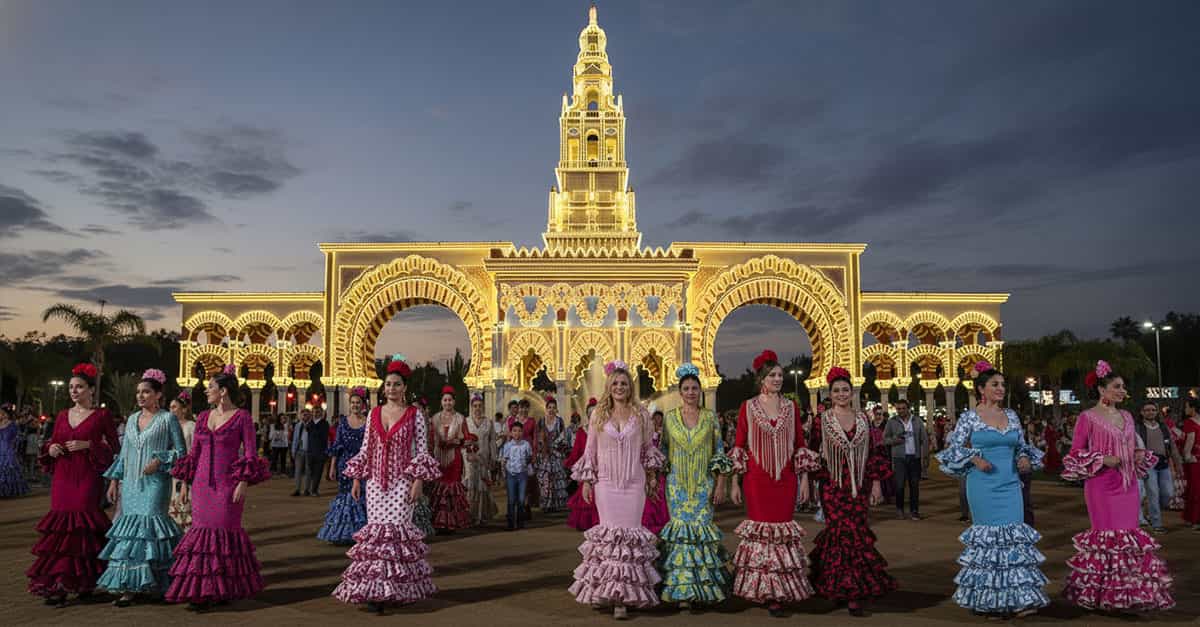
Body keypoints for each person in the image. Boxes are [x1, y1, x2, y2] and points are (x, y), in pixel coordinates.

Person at [937, 361, 1048, 619]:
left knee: (1012, 539)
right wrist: (975, 458)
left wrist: (1023, 457)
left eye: (1002, 384)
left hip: (1010, 485)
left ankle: (1018, 600)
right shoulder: (969, 417)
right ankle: (990, 601)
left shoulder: (1011, 416)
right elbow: (953, 448)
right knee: (989, 541)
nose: (1001, 388)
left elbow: (1021, 445)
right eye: (995, 384)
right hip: (982, 486)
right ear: (981, 389)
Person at [1061, 360, 1173, 612]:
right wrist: (1102, 459)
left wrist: (1138, 455)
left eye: (1123, 387)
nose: (1123, 391)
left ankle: (1127, 595)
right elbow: (1075, 453)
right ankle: (1103, 596)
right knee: (1106, 537)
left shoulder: (1127, 416)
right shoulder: (1087, 417)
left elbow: (1133, 444)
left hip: (1128, 484)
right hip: (1101, 485)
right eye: (1117, 386)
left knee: (1128, 536)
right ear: (1102, 389)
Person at [333, 357, 440, 614]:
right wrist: (357, 479)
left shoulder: (414, 415)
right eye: (388, 384)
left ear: (404, 388)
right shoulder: (374, 414)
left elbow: (422, 451)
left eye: (396, 384)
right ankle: (376, 592)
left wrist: (418, 482)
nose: (391, 388)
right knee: (377, 535)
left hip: (402, 483)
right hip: (375, 484)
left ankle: (397, 589)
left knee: (396, 534)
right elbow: (366, 449)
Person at [166, 365, 271, 612]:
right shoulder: (203, 417)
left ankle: (223, 589)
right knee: (201, 534)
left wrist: (243, 482)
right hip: (201, 485)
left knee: (224, 535)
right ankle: (202, 592)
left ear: (223, 391)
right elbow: (194, 454)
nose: (206, 390)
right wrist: (185, 484)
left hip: (228, 486)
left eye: (211, 387)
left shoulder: (242, 417)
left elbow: (250, 454)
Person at [568, 360, 665, 620]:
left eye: (624, 383)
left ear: (630, 387)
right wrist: (586, 482)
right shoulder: (598, 415)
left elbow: (647, 450)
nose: (619, 387)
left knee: (629, 538)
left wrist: (652, 478)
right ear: (609, 387)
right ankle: (610, 594)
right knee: (610, 537)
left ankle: (624, 594)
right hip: (606, 485)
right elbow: (590, 451)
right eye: (615, 384)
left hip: (634, 484)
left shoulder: (641, 415)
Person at [728, 350, 819, 617]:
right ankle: (764, 591)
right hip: (757, 480)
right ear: (762, 379)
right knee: (761, 533)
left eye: (780, 375)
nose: (778, 379)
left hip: (786, 479)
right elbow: (739, 446)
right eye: (772, 375)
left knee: (782, 533)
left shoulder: (791, 407)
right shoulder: (748, 407)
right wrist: (734, 483)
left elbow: (800, 444)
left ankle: (781, 590)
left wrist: (804, 481)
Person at [28, 363, 118, 607]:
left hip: (87, 476)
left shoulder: (102, 416)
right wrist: (51, 448)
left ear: (91, 390)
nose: (74, 391)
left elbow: (115, 448)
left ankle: (85, 582)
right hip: (63, 476)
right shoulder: (61, 416)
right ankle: (59, 585)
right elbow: (52, 442)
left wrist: (89, 445)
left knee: (83, 526)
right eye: (71, 387)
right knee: (62, 528)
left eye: (79, 387)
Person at [808, 367, 896, 616]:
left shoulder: (863, 419)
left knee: (856, 532)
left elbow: (874, 452)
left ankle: (851, 589)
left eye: (845, 390)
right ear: (830, 394)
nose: (841, 394)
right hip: (833, 486)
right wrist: (809, 482)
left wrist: (876, 484)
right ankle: (841, 589)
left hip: (859, 485)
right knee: (839, 533)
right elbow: (813, 453)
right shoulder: (822, 420)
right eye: (836, 390)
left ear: (852, 392)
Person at [97, 369, 186, 606]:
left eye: (146, 392)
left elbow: (181, 452)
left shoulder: (168, 419)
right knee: (130, 532)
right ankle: (129, 588)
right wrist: (114, 481)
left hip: (156, 484)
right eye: (138, 392)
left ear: (158, 395)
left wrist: (160, 460)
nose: (140, 396)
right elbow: (123, 454)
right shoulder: (131, 419)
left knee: (151, 529)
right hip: (130, 485)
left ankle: (160, 584)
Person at [658, 363, 732, 610]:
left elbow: (719, 452)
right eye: (686, 388)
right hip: (676, 487)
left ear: (700, 391)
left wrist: (720, 484)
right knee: (680, 536)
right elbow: (662, 451)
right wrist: (654, 478)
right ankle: (681, 593)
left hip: (703, 486)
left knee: (701, 535)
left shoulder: (710, 418)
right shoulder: (670, 418)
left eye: (694, 388)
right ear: (680, 392)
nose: (691, 392)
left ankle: (704, 590)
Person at [317, 386, 369, 544]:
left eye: (358, 403)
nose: (355, 405)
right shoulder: (343, 422)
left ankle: (362, 532)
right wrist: (332, 466)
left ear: (363, 404)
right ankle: (343, 533)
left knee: (362, 495)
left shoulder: (368, 422)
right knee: (345, 495)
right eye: (353, 403)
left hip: (363, 465)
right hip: (344, 465)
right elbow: (337, 444)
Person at [1135, 400, 1182, 534]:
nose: (1150, 412)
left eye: (1153, 410)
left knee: (1168, 493)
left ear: (1157, 412)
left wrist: (1178, 465)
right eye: (1147, 410)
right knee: (1153, 493)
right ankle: (1157, 523)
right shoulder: (1137, 428)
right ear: (1142, 412)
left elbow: (1172, 446)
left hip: (1163, 463)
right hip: (1148, 464)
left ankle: (1150, 513)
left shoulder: (1163, 427)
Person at [429, 386, 470, 533]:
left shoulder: (460, 418)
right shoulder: (434, 419)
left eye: (450, 400)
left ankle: (452, 523)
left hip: (454, 459)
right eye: (445, 400)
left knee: (453, 488)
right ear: (441, 402)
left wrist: (456, 442)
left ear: (454, 402)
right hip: (438, 458)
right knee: (438, 487)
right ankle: (439, 523)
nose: (447, 403)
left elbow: (467, 439)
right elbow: (430, 440)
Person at [883, 398, 927, 520]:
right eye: (898, 409)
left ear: (908, 408)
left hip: (914, 457)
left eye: (903, 408)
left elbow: (924, 439)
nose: (901, 411)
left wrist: (925, 456)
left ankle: (914, 511)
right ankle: (900, 509)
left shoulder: (917, 421)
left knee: (914, 485)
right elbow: (885, 439)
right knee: (899, 485)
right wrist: (896, 440)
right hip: (899, 458)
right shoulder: (892, 422)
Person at [565, 399, 600, 531]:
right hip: (587, 466)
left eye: (595, 412)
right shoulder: (582, 430)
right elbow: (577, 450)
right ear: (587, 414)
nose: (592, 415)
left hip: (601, 464)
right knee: (585, 492)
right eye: (590, 413)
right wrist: (571, 462)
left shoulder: (603, 428)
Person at [464, 393, 498, 526]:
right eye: (475, 406)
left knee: (482, 486)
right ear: (471, 407)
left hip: (484, 459)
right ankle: (470, 516)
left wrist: (493, 458)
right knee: (471, 485)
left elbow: (492, 442)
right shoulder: (466, 422)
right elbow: (462, 441)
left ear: (483, 407)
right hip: (469, 460)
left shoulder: (488, 423)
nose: (477, 408)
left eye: (479, 406)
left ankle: (481, 515)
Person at [535, 396, 570, 513]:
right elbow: (538, 437)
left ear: (556, 409)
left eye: (554, 408)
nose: (551, 410)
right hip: (544, 454)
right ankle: (546, 504)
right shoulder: (541, 421)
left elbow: (563, 436)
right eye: (549, 407)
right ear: (546, 409)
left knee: (556, 479)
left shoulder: (559, 421)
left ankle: (556, 504)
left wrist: (555, 445)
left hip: (556, 453)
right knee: (545, 479)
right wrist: (542, 448)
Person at [167, 392, 196, 532]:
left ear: (183, 409)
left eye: (174, 407)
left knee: (185, 506)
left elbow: (195, 451)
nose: (171, 410)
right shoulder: (167, 428)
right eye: (170, 407)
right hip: (170, 473)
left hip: (186, 472)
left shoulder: (191, 426)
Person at [499, 422, 533, 529]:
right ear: (511, 433)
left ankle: (520, 522)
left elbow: (530, 457)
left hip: (522, 475)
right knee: (511, 500)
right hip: (511, 475)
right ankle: (510, 523)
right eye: (514, 431)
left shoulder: (526, 444)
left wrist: (528, 465)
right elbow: (504, 460)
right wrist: (504, 474)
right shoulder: (507, 446)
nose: (517, 433)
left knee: (521, 499)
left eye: (519, 431)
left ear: (522, 432)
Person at [641, 410, 669, 534]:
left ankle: (661, 520)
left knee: (659, 492)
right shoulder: (647, 434)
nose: (657, 420)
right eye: (655, 418)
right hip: (647, 468)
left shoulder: (663, 433)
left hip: (659, 468)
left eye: (659, 418)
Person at [0, 403, 29, 497]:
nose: (0, 415)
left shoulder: (13, 425)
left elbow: (20, 437)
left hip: (8, 450)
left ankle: (9, 491)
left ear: (6, 414)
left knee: (9, 468)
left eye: (1, 413)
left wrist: (15, 444)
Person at [1181, 397, 1200, 529]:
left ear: (1193, 408)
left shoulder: (1189, 422)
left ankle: (1193, 519)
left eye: (1186, 407)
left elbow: (1189, 442)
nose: (1185, 409)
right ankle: (1192, 518)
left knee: (1194, 490)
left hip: (1195, 461)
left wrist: (1187, 457)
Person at [290, 409, 315, 496]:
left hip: (309, 451)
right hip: (299, 450)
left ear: (310, 416)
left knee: (308, 471)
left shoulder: (313, 425)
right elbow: (295, 438)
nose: (305, 417)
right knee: (298, 471)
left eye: (307, 415)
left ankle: (307, 489)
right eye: (303, 415)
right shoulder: (298, 425)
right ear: (300, 416)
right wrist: (293, 450)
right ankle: (297, 489)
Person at [306, 410, 330, 497]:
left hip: (320, 451)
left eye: (317, 412)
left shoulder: (325, 423)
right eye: (314, 412)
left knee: (318, 472)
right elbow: (308, 433)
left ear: (321, 413)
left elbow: (324, 436)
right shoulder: (310, 423)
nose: (315, 413)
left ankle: (314, 490)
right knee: (311, 471)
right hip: (310, 451)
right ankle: (310, 488)